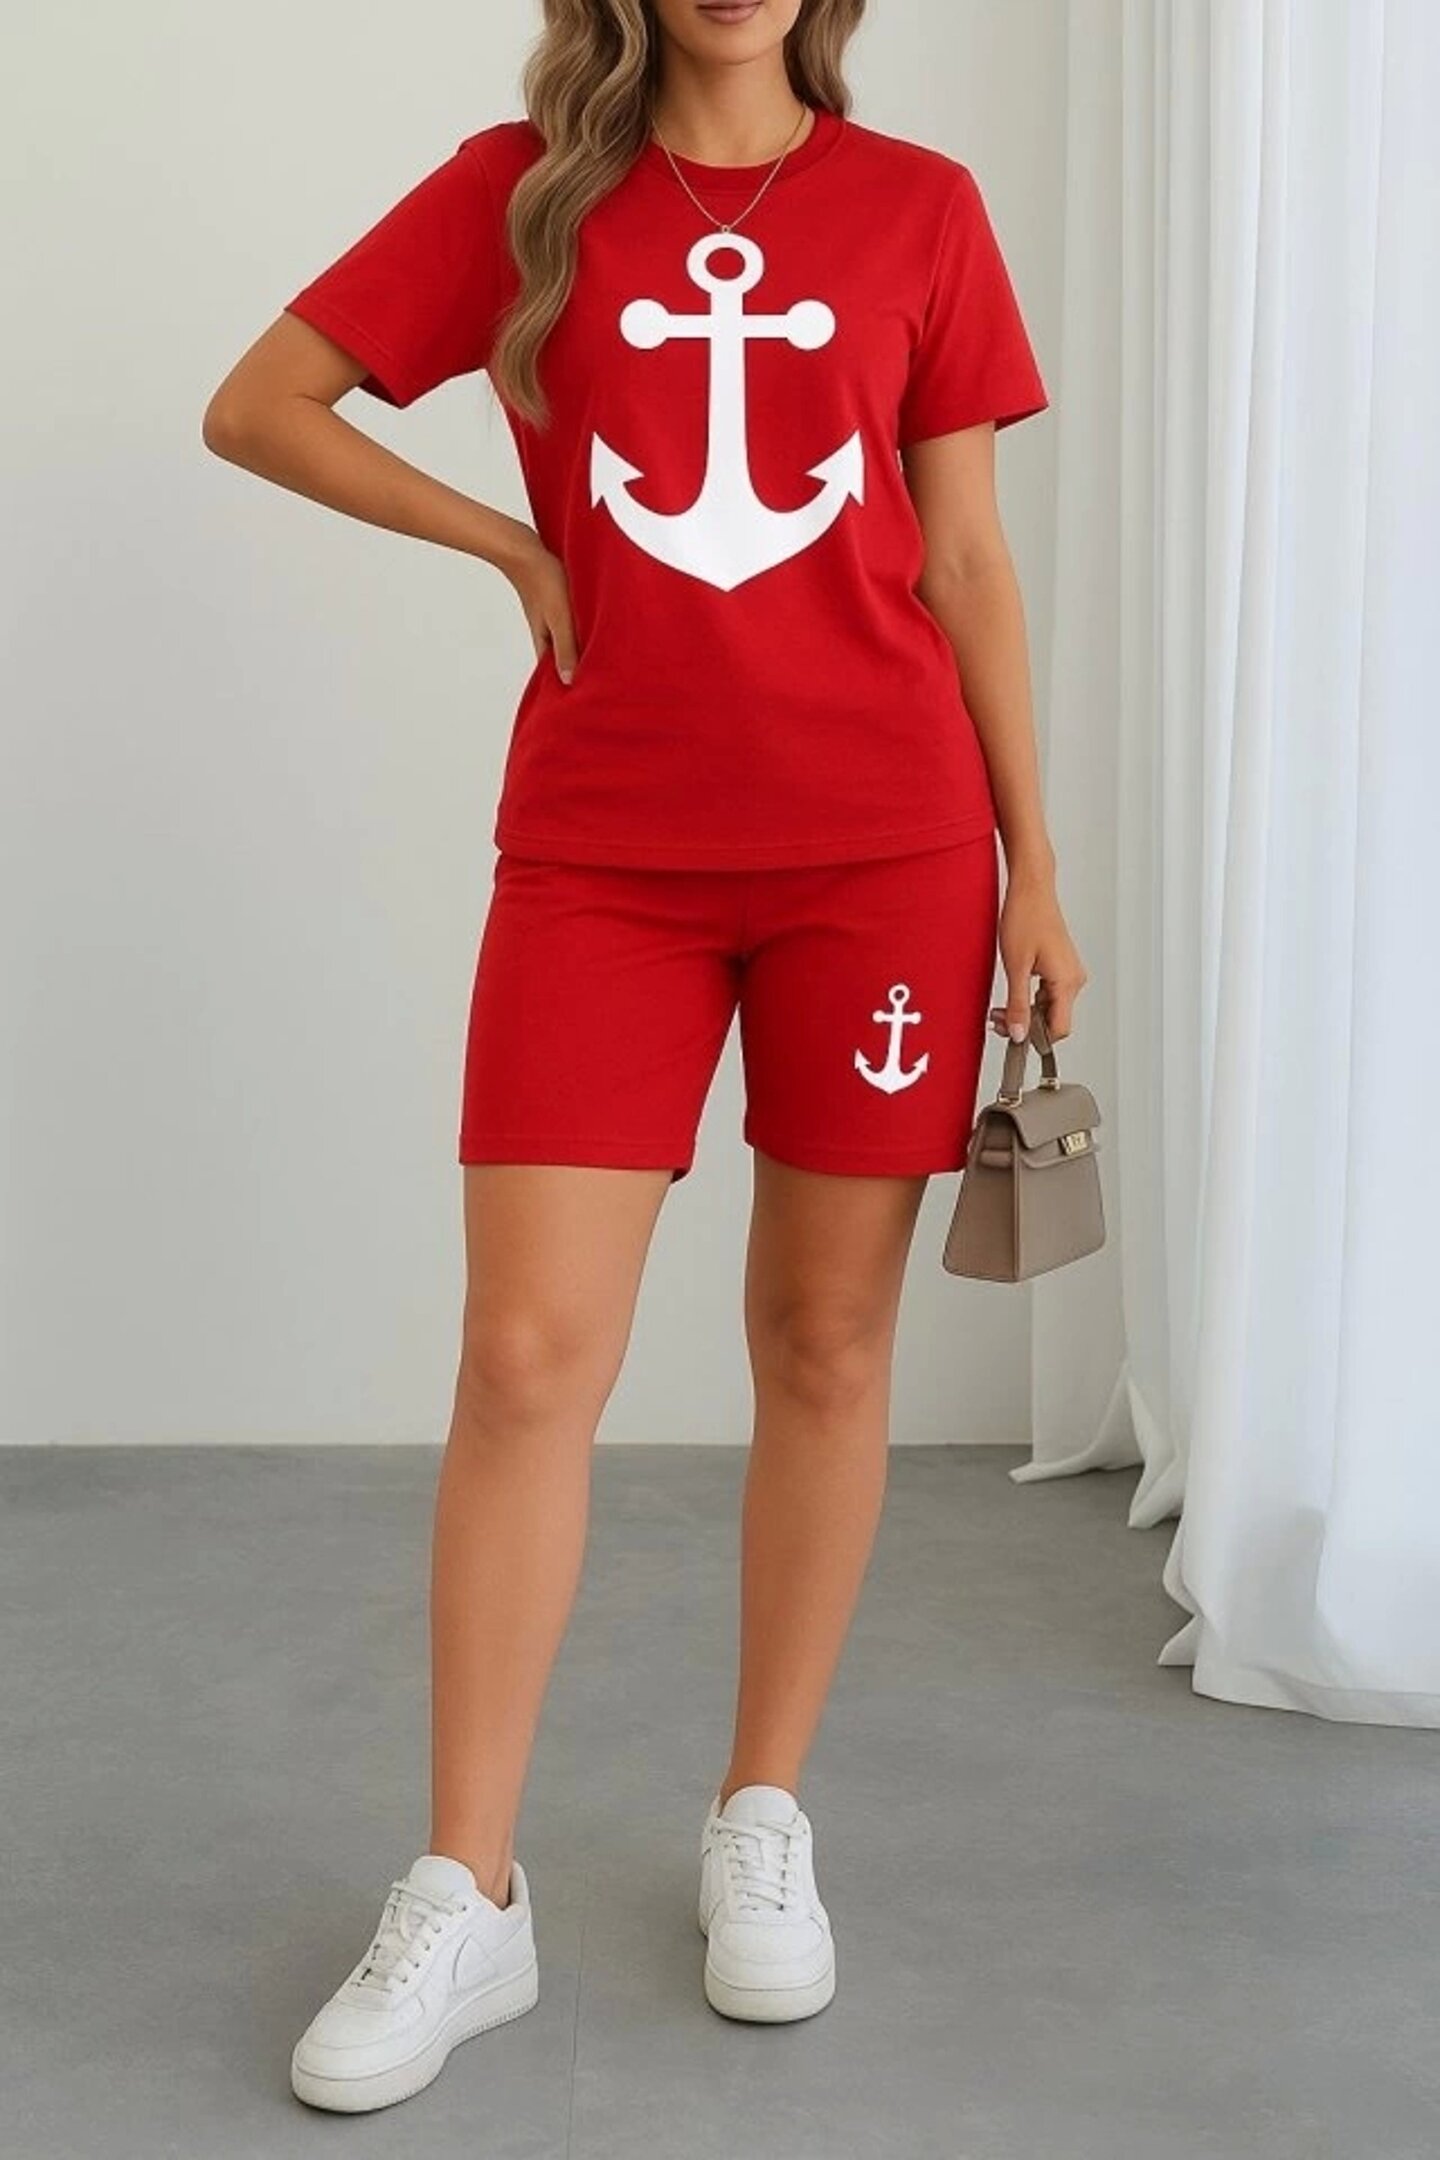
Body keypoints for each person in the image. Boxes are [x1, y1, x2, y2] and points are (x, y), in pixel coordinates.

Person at [203, 0, 1087, 2116]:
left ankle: (759, 1812)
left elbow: (965, 551)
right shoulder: (524, 198)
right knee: (526, 1356)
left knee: (826, 1342)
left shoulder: (921, 209)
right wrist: (514, 543)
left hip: (887, 847)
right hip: (605, 852)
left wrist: (1036, 865)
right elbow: (261, 404)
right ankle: (468, 1886)